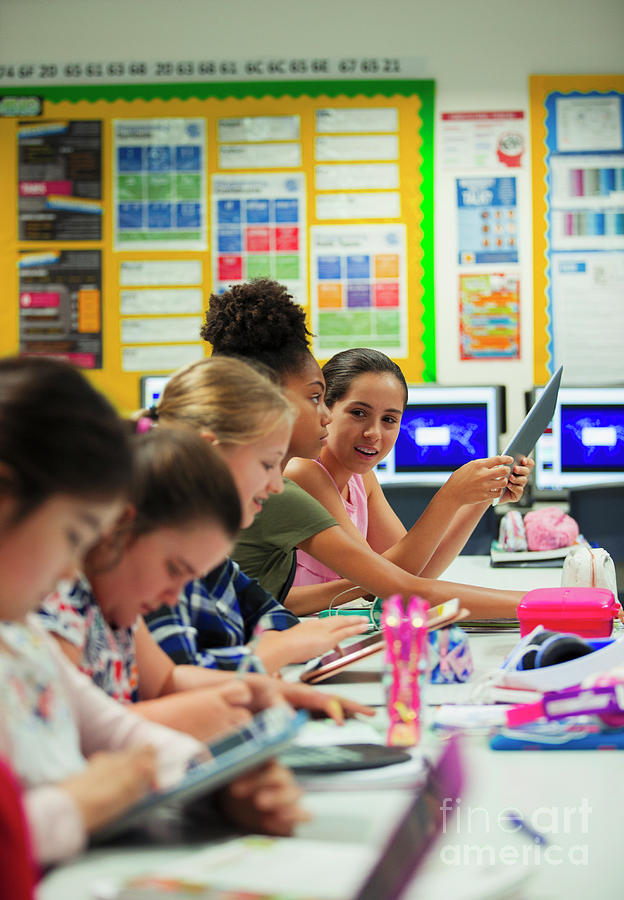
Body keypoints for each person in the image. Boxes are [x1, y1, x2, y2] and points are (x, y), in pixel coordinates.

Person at [0, 357, 306, 867]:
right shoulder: (47, 618)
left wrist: (216, 782)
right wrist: (84, 802)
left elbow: (119, 734)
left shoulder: (22, 635)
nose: (70, 573)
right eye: (74, 537)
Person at [201, 277, 531, 618]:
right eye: (317, 399)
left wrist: (476, 498)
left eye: (390, 420)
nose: (325, 416)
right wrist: (450, 497)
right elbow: (398, 584)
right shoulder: (292, 481)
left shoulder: (350, 481)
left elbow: (409, 574)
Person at [40, 426, 370, 731]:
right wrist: (220, 703)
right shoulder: (60, 618)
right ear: (118, 530)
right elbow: (81, 731)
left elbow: (168, 680)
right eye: (174, 570)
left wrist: (274, 692)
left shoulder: (117, 610)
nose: (173, 597)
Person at [144, 356, 370, 675]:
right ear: (214, 451)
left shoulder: (211, 555)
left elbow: (267, 612)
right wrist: (270, 655)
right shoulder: (152, 556)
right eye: (267, 465)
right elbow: (176, 679)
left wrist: (281, 645)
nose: (277, 485)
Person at [285, 347, 534, 587]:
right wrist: (449, 496)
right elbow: (382, 581)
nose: (374, 433)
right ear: (324, 410)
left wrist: (484, 494)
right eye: (359, 413)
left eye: (389, 420)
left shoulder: (361, 480)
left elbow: (417, 573)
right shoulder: (304, 473)